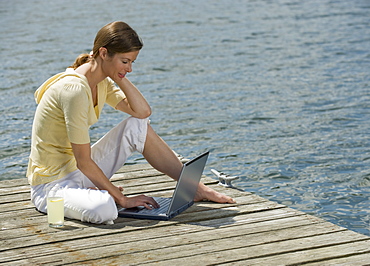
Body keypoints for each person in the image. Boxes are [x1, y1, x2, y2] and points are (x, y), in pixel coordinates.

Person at [27, 21, 235, 224]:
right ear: (103, 53)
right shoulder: (73, 90)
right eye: (125, 61)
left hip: (77, 171)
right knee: (105, 208)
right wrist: (122, 199)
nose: (130, 68)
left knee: (137, 127)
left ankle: (195, 188)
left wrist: (118, 74)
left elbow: (142, 112)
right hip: (52, 185)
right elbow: (84, 160)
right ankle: (91, 195)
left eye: (132, 62)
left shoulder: (101, 82)